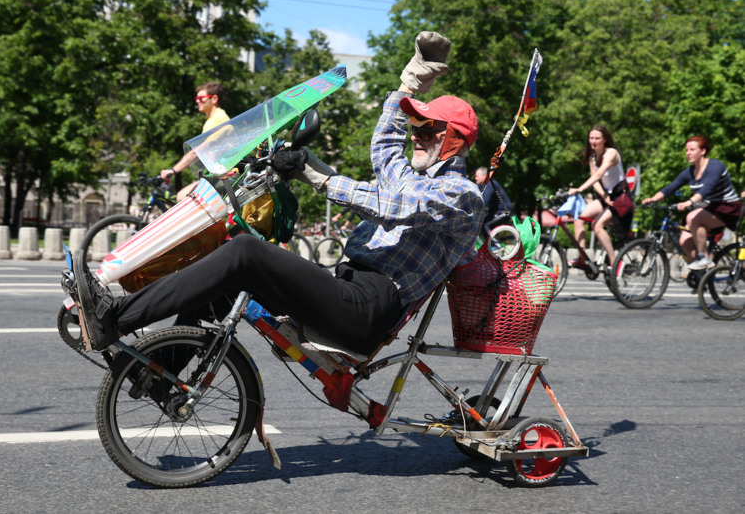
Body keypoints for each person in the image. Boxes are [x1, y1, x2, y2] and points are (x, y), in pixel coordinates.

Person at [72, 31, 485, 356]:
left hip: (368, 307)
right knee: (232, 250)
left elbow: (397, 207)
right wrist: (408, 84)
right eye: (416, 126)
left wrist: (319, 178)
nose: (416, 134)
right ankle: (164, 371)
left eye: (428, 129)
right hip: (344, 285)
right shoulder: (413, 176)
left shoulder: (462, 195)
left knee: (246, 254)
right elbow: (383, 148)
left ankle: (113, 319)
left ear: (454, 140)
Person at [642, 135, 743, 270]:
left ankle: (704, 257)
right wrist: (653, 199)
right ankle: (705, 275)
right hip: (707, 210)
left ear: (703, 151)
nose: (688, 153)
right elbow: (669, 189)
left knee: (692, 217)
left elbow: (708, 188)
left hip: (727, 208)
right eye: (686, 150)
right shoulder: (689, 172)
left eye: (692, 149)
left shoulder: (715, 166)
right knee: (684, 241)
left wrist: (689, 202)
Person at [566, 125, 633, 270]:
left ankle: (615, 262)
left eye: (597, 138)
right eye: (591, 138)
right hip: (607, 196)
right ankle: (582, 258)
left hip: (620, 198)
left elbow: (599, 174)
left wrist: (580, 189)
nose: (593, 141)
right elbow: (595, 180)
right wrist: (604, 195)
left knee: (596, 225)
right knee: (579, 218)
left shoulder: (612, 153)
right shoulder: (593, 156)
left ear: (605, 140)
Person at [162, 82, 231, 201]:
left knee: (183, 197)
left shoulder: (217, 119)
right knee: (183, 196)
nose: (197, 101)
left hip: (228, 176)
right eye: (196, 98)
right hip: (222, 174)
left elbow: (199, 151)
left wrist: (173, 171)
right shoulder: (216, 118)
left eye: (201, 98)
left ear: (214, 98)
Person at [473, 166, 513, 235]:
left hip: (504, 211)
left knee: (485, 225)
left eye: (477, 176)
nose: (475, 178)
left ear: (484, 176)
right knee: (481, 224)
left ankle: (496, 246)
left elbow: (485, 201)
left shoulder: (490, 184)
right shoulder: (480, 187)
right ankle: (489, 244)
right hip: (495, 212)